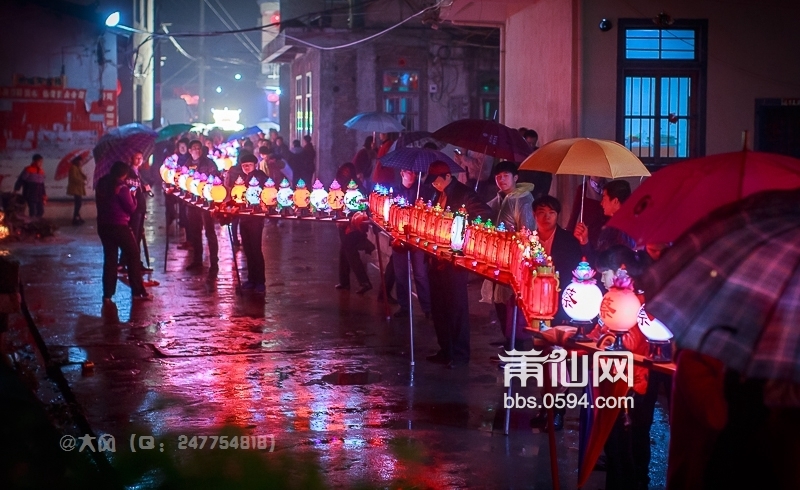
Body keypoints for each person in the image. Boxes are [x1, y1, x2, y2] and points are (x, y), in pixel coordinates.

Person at [424, 161, 492, 368]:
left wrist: (460, 224)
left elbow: (485, 214)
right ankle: (445, 349)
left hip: (454, 258)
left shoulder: (464, 194)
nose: (434, 185)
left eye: (437, 181)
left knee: (456, 308)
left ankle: (460, 354)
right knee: (439, 307)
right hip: (436, 255)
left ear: (447, 177)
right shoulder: (438, 194)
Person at [485, 161, 535, 350]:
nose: (501, 180)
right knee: (499, 297)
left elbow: (527, 229)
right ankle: (508, 337)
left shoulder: (522, 199)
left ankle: (517, 341)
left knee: (512, 299)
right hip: (497, 254)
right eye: (498, 177)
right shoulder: (499, 198)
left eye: (505, 176)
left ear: (516, 178)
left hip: (515, 255)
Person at [95, 161, 151, 302]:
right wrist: (132, 196)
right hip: (119, 225)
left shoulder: (101, 184)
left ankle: (107, 294)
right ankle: (137, 291)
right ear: (123, 174)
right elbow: (131, 208)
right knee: (133, 254)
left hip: (103, 226)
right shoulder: (121, 187)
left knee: (110, 259)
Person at [391, 169, 432, 318]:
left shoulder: (423, 191)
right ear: (402, 173)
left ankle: (427, 307)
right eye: (409, 172)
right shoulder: (395, 191)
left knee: (420, 273)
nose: (412, 175)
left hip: (417, 238)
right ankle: (404, 306)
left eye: (415, 172)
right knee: (401, 274)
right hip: (399, 237)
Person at [574, 179, 636, 266]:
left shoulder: (624, 228)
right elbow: (598, 259)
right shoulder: (611, 224)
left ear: (615, 201)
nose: (601, 203)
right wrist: (585, 241)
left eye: (604, 198)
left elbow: (605, 264)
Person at [335, 162, 374, 294]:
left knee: (349, 250)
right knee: (343, 250)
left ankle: (364, 282)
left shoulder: (358, 189)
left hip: (354, 226)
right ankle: (344, 282)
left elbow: (362, 208)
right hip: (345, 223)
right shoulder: (344, 187)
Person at [234, 153, 268, 292]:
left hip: (255, 219)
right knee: (248, 250)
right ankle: (251, 279)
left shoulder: (260, 177)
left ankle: (260, 281)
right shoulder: (243, 179)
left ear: (255, 164)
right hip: (244, 218)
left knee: (255, 249)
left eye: (249, 165)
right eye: (243, 166)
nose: (246, 168)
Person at [185, 140, 220, 273]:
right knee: (195, 232)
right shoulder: (187, 164)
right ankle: (197, 260)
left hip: (206, 203)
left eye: (199, 148)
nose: (197, 150)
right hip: (191, 203)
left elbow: (215, 178)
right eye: (194, 148)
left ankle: (214, 261)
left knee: (209, 232)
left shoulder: (209, 163)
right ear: (190, 150)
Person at [122, 151, 153, 272]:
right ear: (131, 159)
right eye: (136, 158)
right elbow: (130, 189)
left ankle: (134, 262)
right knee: (133, 237)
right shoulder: (129, 173)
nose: (139, 160)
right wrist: (141, 188)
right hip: (134, 209)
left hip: (140, 207)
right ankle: (128, 263)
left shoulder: (137, 172)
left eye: (141, 157)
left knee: (137, 236)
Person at [517, 129, 553, 200]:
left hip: (536, 190)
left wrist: (544, 192)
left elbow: (547, 176)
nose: (531, 146)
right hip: (521, 190)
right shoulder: (517, 155)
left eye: (533, 143)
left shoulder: (540, 154)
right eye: (529, 143)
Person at [66, 155, 87, 225]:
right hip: (76, 188)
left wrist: (84, 176)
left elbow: (80, 175)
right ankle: (75, 218)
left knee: (79, 204)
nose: (82, 162)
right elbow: (73, 178)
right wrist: (82, 181)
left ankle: (77, 217)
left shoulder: (78, 168)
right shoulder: (73, 168)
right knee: (78, 204)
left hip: (79, 188)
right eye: (81, 161)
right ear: (77, 161)